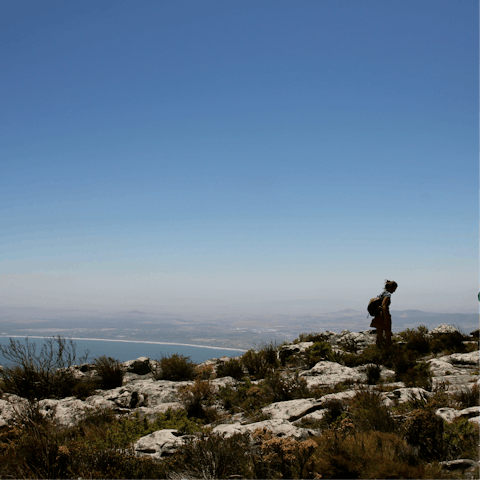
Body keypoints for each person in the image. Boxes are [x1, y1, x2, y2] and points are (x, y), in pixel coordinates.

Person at [372, 280, 398, 347]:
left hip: (378, 315)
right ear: (390, 288)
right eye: (394, 289)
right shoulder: (387, 295)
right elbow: (384, 305)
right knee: (387, 331)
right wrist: (386, 317)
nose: (394, 291)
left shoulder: (382, 293)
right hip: (383, 315)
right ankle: (388, 347)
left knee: (379, 332)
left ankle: (379, 347)